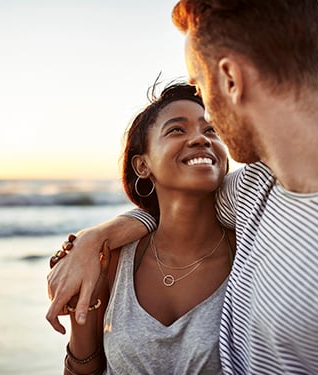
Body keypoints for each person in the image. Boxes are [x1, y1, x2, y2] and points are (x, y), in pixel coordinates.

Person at [47, 1, 318, 374]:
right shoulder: (254, 190)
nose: (207, 118)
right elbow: (171, 212)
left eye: (199, 84)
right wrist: (93, 241)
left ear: (230, 79)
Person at [52, 81, 236, 374]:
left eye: (210, 129)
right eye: (177, 129)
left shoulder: (249, 250)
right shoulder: (111, 260)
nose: (201, 139)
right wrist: (80, 311)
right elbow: (83, 368)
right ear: (142, 165)